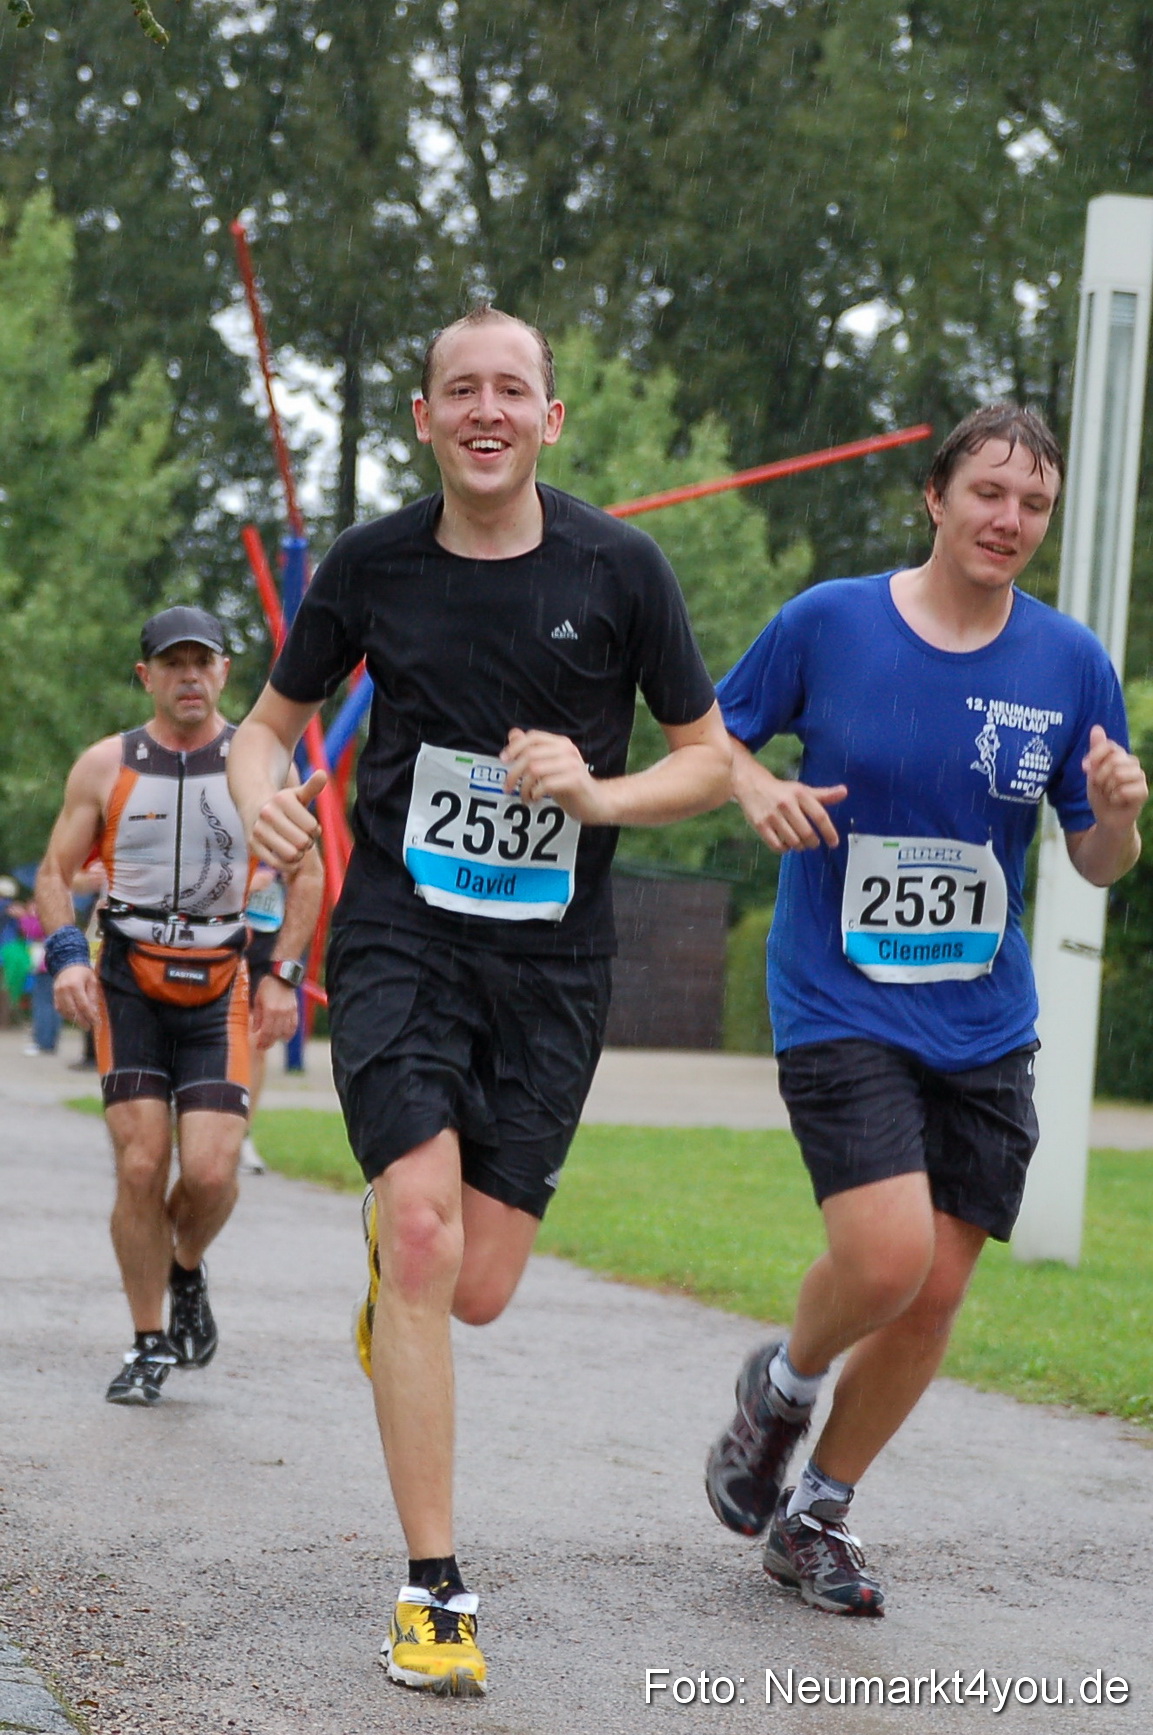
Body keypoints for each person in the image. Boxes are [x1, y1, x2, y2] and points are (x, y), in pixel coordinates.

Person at [226, 305, 730, 1697]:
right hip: (401, 940)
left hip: (556, 966)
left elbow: (712, 763)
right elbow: (267, 728)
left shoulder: (622, 567)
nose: (488, 408)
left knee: (476, 1285)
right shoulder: (370, 564)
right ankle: (433, 1587)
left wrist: (597, 791)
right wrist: (267, 803)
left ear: (549, 419)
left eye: (514, 388)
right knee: (430, 1229)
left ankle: (400, 1285)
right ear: (428, 417)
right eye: (463, 388)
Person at [704, 404, 1148, 1616]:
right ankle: (782, 1391)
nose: (1010, 520)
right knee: (888, 1256)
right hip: (837, 992)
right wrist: (755, 788)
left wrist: (1117, 812)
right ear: (935, 498)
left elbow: (1095, 860)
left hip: (983, 1017)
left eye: (1034, 505)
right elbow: (713, 742)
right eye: (989, 493)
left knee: (938, 1289)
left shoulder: (1067, 663)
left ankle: (817, 1515)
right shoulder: (830, 622)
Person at [36, 607, 317, 1407]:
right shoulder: (104, 764)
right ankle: (147, 1341)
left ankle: (185, 1265)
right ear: (147, 676)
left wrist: (282, 977)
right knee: (137, 1163)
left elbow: (310, 876)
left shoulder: (262, 766)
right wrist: (64, 959)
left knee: (212, 1168)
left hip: (220, 983)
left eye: (204, 662)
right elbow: (57, 873)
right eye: (173, 663)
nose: (189, 676)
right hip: (129, 980)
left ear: (227, 672)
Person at [241, 852, 324, 1172]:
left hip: (267, 941)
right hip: (219, 937)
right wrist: (245, 885)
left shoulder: (286, 816)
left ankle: (242, 1135)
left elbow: (309, 876)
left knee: (255, 1042)